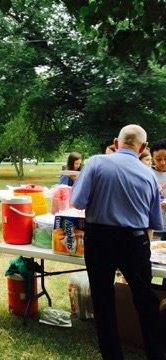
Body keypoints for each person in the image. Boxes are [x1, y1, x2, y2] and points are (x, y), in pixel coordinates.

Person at [71, 125, 163, 359]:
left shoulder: (95, 163)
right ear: (143, 148)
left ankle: (113, 356)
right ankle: (155, 353)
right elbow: (153, 221)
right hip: (135, 241)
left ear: (116, 142)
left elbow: (78, 202)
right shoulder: (149, 175)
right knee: (145, 299)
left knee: (102, 300)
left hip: (99, 239)